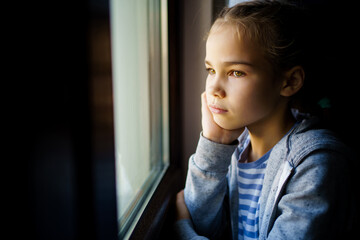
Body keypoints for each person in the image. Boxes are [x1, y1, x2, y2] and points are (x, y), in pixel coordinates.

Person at [174, 1, 355, 239]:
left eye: (236, 72)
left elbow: (192, 226)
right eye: (211, 70)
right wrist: (213, 145)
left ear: (289, 82)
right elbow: (208, 228)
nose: (214, 89)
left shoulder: (315, 165)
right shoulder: (240, 150)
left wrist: (180, 229)